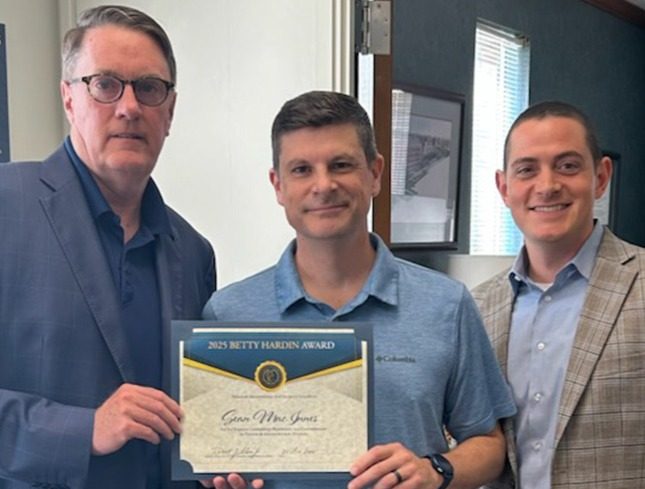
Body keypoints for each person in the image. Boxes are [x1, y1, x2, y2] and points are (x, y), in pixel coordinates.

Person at [201, 90, 515, 489]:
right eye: (302, 170)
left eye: (341, 165)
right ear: (278, 185)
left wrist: (434, 471)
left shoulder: (446, 305)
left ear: (375, 173)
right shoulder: (227, 314)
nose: (323, 185)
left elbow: (490, 446)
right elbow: (208, 458)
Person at [0, 6, 215, 489]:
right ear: (69, 98)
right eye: (105, 85)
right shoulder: (6, 208)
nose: (129, 107)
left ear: (170, 111)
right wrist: (82, 431)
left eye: (150, 88)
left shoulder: (194, 252)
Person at [472, 101, 645, 488]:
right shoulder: (476, 308)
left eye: (567, 166)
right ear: (504, 188)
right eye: (527, 169)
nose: (547, 185)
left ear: (601, 177)